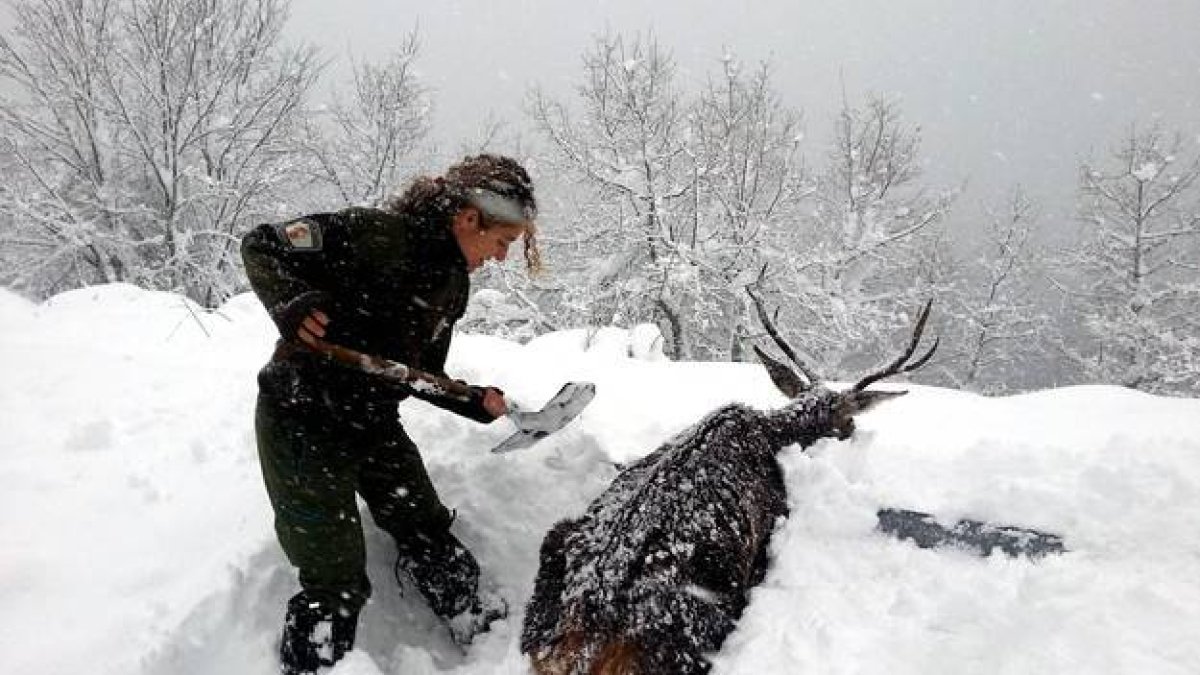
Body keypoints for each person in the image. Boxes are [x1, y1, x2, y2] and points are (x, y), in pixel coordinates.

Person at [241, 154, 540, 674]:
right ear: (470, 219)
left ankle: (480, 624)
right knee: (333, 576)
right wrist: (290, 303)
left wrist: (474, 402)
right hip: (302, 415)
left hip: (371, 421)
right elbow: (263, 243)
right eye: (502, 242)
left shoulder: (452, 286)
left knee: (423, 523)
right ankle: (315, 665)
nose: (500, 258)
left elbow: (413, 372)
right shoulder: (375, 235)